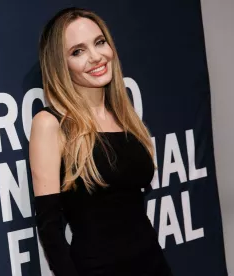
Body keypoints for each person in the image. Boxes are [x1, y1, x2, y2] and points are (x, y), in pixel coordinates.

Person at [29, 7, 173, 276]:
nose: (96, 57)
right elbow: (50, 229)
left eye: (99, 42)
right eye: (77, 51)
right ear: (61, 65)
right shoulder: (51, 124)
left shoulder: (123, 116)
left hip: (153, 263)